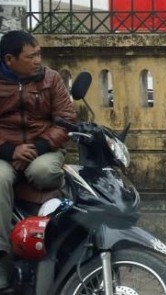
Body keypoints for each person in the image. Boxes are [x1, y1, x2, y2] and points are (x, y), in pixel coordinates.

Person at [0, 30, 76, 290]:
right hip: (4, 152)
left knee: (44, 172)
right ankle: (1, 257)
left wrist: (38, 146)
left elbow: (66, 119)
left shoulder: (51, 79)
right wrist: (10, 151)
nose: (37, 61)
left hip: (43, 148)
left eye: (39, 54)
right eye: (30, 56)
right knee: (0, 180)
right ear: (10, 60)